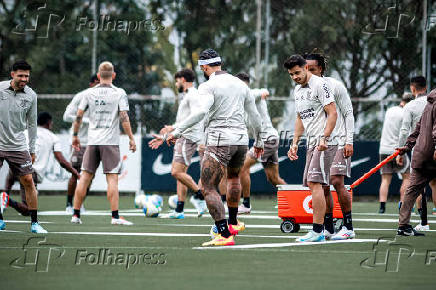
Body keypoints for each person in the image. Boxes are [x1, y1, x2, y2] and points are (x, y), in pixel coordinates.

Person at [150, 48, 264, 246]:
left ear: (203, 67)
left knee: (208, 187)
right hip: (241, 140)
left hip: (220, 140)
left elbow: (200, 113)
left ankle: (224, 233)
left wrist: (175, 133)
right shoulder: (240, 84)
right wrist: (260, 141)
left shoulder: (207, 86)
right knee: (234, 178)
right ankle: (234, 222)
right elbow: (254, 115)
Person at [70, 61, 136, 225]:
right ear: (113, 75)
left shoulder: (88, 93)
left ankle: (76, 215)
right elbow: (124, 117)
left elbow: (78, 116)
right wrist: (131, 138)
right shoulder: (119, 92)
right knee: (112, 179)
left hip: (92, 142)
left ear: (99, 76)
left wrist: (75, 135)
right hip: (110, 142)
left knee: (84, 177)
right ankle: (115, 217)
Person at [284, 54, 337, 243]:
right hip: (311, 142)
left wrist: (325, 137)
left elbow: (333, 113)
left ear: (306, 67)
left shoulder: (320, 85)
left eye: (297, 73)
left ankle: (317, 231)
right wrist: (295, 142)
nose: (295, 77)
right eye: (291, 75)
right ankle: (328, 228)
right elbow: (300, 117)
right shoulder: (298, 90)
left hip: (325, 142)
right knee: (321, 187)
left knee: (315, 183)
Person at [304, 52, 356, 240]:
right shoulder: (304, 90)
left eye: (313, 69)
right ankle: (327, 227)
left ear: (321, 69)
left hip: (339, 140)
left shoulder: (334, 85)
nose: (308, 72)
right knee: (322, 185)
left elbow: (348, 113)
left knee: (336, 181)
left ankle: (348, 227)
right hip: (318, 143)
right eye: (306, 68)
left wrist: (348, 140)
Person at [151, 69, 207, 218]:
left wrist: (175, 131)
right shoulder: (188, 95)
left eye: (177, 81)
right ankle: (179, 210)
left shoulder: (193, 94)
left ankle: (200, 197)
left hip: (186, 138)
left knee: (176, 172)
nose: (176, 84)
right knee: (181, 174)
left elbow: (198, 115)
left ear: (182, 79)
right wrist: (170, 130)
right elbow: (186, 119)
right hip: (184, 136)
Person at [1, 112, 80, 216]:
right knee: (29, 209)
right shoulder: (53, 137)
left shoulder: (26, 132)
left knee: (11, 176)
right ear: (48, 123)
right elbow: (61, 161)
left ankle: (4, 195)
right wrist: (75, 173)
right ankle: (6, 200)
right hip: (32, 173)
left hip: (17, 166)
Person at [0, 60, 47, 233]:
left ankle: (35, 223)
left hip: (19, 145)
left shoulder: (31, 95)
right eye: (20, 75)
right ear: (12, 74)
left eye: (27, 76)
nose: (24, 79)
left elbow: (32, 124)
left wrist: (32, 149)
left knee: (28, 180)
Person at [236, 72, 286, 214]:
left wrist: (264, 93)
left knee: (242, 167)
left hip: (268, 140)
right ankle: (294, 200)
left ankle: (246, 204)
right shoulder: (240, 103)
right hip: (268, 140)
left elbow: (264, 91)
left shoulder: (252, 94)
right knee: (273, 178)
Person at [398, 76, 436, 230]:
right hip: (432, 152)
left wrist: (406, 146)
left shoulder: (428, 104)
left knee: (413, 189)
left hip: (420, 152)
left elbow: (416, 129)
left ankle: (403, 225)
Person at [63, 74, 99, 213]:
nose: (100, 85)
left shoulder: (106, 97)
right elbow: (66, 116)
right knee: (75, 173)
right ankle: (68, 204)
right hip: (80, 141)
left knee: (90, 175)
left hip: (95, 142)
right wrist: (86, 120)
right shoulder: (81, 96)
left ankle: (80, 203)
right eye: (97, 82)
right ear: (91, 84)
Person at [378, 94, 413, 213]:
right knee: (407, 177)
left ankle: (382, 207)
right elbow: (404, 132)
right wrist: (402, 152)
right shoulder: (405, 113)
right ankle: (403, 204)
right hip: (396, 149)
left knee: (385, 179)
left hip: (383, 148)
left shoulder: (390, 110)